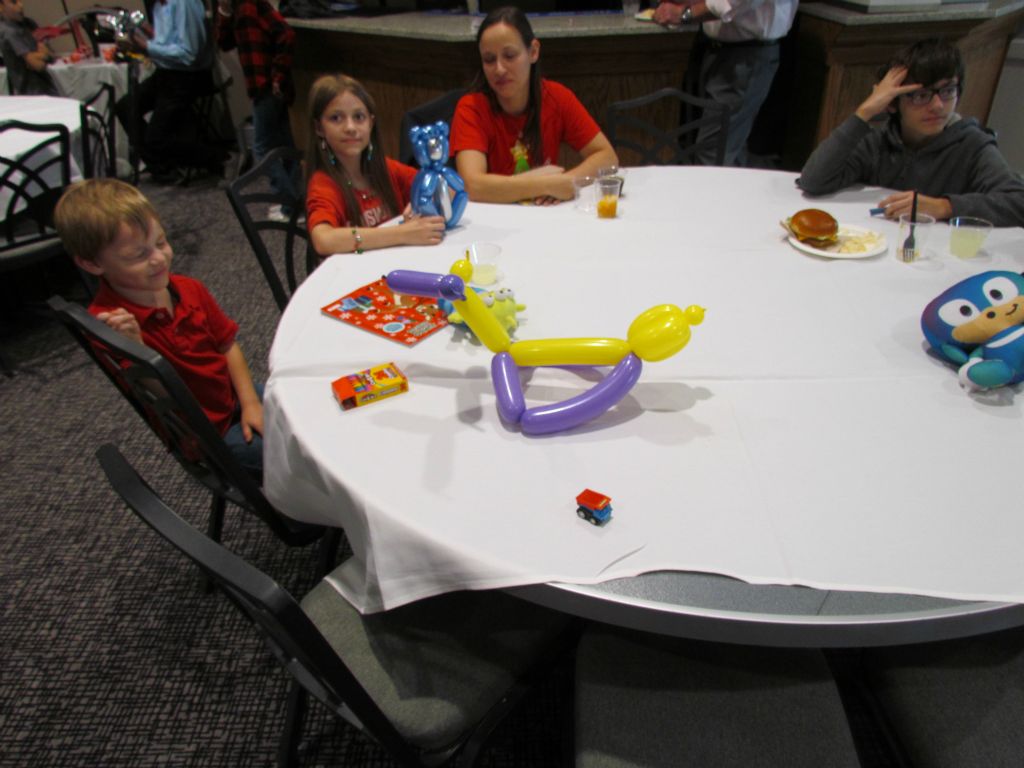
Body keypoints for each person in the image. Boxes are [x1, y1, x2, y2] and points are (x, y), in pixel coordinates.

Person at [53, 179, 264, 475]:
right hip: (206, 435)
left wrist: (250, 402)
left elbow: (227, 345)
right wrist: (136, 349)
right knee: (293, 453)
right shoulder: (109, 326)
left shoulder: (189, 288)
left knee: (306, 404)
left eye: (162, 242)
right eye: (138, 255)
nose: (159, 258)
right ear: (92, 264)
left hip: (231, 396)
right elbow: (163, 398)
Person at [797, 38, 1024, 228]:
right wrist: (864, 112)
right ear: (893, 103)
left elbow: (1018, 202)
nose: (937, 106)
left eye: (947, 91)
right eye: (921, 95)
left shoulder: (972, 144)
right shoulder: (877, 141)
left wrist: (945, 206)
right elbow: (813, 181)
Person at [450, 5, 618, 205]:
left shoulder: (556, 97)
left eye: (509, 56)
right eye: (489, 60)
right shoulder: (471, 108)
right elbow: (472, 185)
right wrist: (546, 184)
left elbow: (607, 157)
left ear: (533, 52)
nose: (499, 69)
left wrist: (567, 183)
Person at [305, 74, 446, 258]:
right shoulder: (323, 184)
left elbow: (446, 187)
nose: (350, 127)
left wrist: (422, 200)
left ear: (371, 123)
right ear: (319, 128)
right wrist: (402, 234)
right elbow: (324, 240)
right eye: (336, 118)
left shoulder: (385, 168)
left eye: (359, 117)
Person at [653, 0, 797, 167]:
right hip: (725, 52)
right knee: (728, 150)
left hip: (745, 56)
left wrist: (686, 14)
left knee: (713, 154)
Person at [114, 0, 226, 182]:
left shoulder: (183, 3)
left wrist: (145, 46)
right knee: (125, 108)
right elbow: (168, 41)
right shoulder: (159, 5)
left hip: (189, 76)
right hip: (165, 72)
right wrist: (143, 34)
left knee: (157, 138)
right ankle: (162, 167)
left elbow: (189, 54)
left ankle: (217, 158)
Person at [215, 0, 300, 216]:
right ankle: (295, 202)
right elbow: (224, 43)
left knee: (262, 147)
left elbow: (286, 34)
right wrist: (224, 11)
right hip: (261, 86)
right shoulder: (236, 9)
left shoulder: (251, 5)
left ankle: (290, 205)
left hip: (268, 86)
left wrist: (278, 75)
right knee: (284, 143)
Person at [0, 0, 58, 96]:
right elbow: (37, 65)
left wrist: (43, 55)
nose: (21, 5)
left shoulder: (29, 23)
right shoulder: (8, 31)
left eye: (20, 1)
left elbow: (53, 56)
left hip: (48, 87)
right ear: (1, 7)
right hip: (30, 92)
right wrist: (45, 55)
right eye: (14, 2)